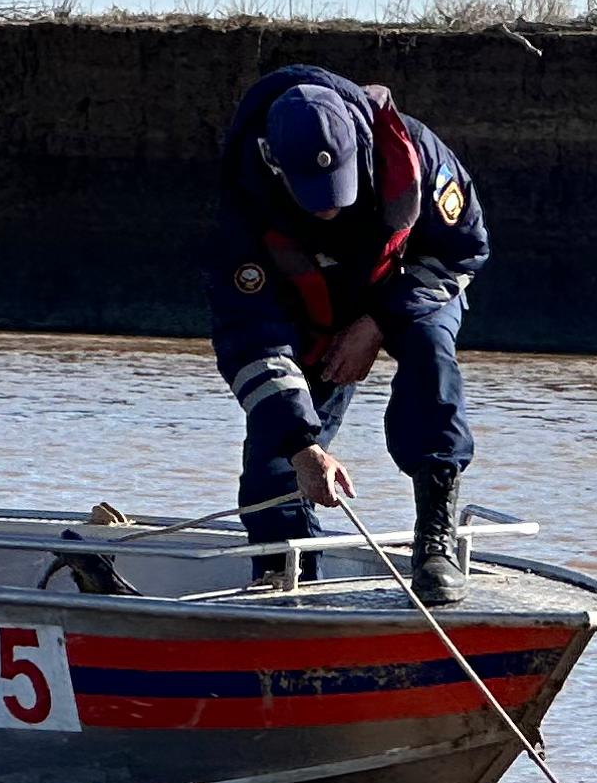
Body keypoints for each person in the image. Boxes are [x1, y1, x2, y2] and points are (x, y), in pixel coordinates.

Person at [211, 64, 493, 600]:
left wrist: (380, 320)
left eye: (337, 186)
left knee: (431, 359)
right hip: (311, 307)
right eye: (312, 195)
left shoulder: (419, 156)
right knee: (276, 458)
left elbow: (463, 253)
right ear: (274, 161)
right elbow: (250, 337)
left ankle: (434, 539)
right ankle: (283, 581)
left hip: (410, 285)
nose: (329, 206)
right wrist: (301, 446)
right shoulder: (242, 210)